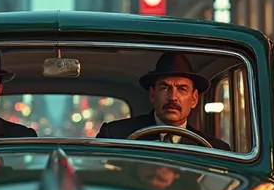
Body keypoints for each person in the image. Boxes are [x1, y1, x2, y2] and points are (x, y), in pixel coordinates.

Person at [95, 51, 231, 151]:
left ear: (194, 99)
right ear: (153, 94)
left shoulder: (215, 149)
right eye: (165, 88)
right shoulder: (115, 136)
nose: (173, 97)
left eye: (182, 89)